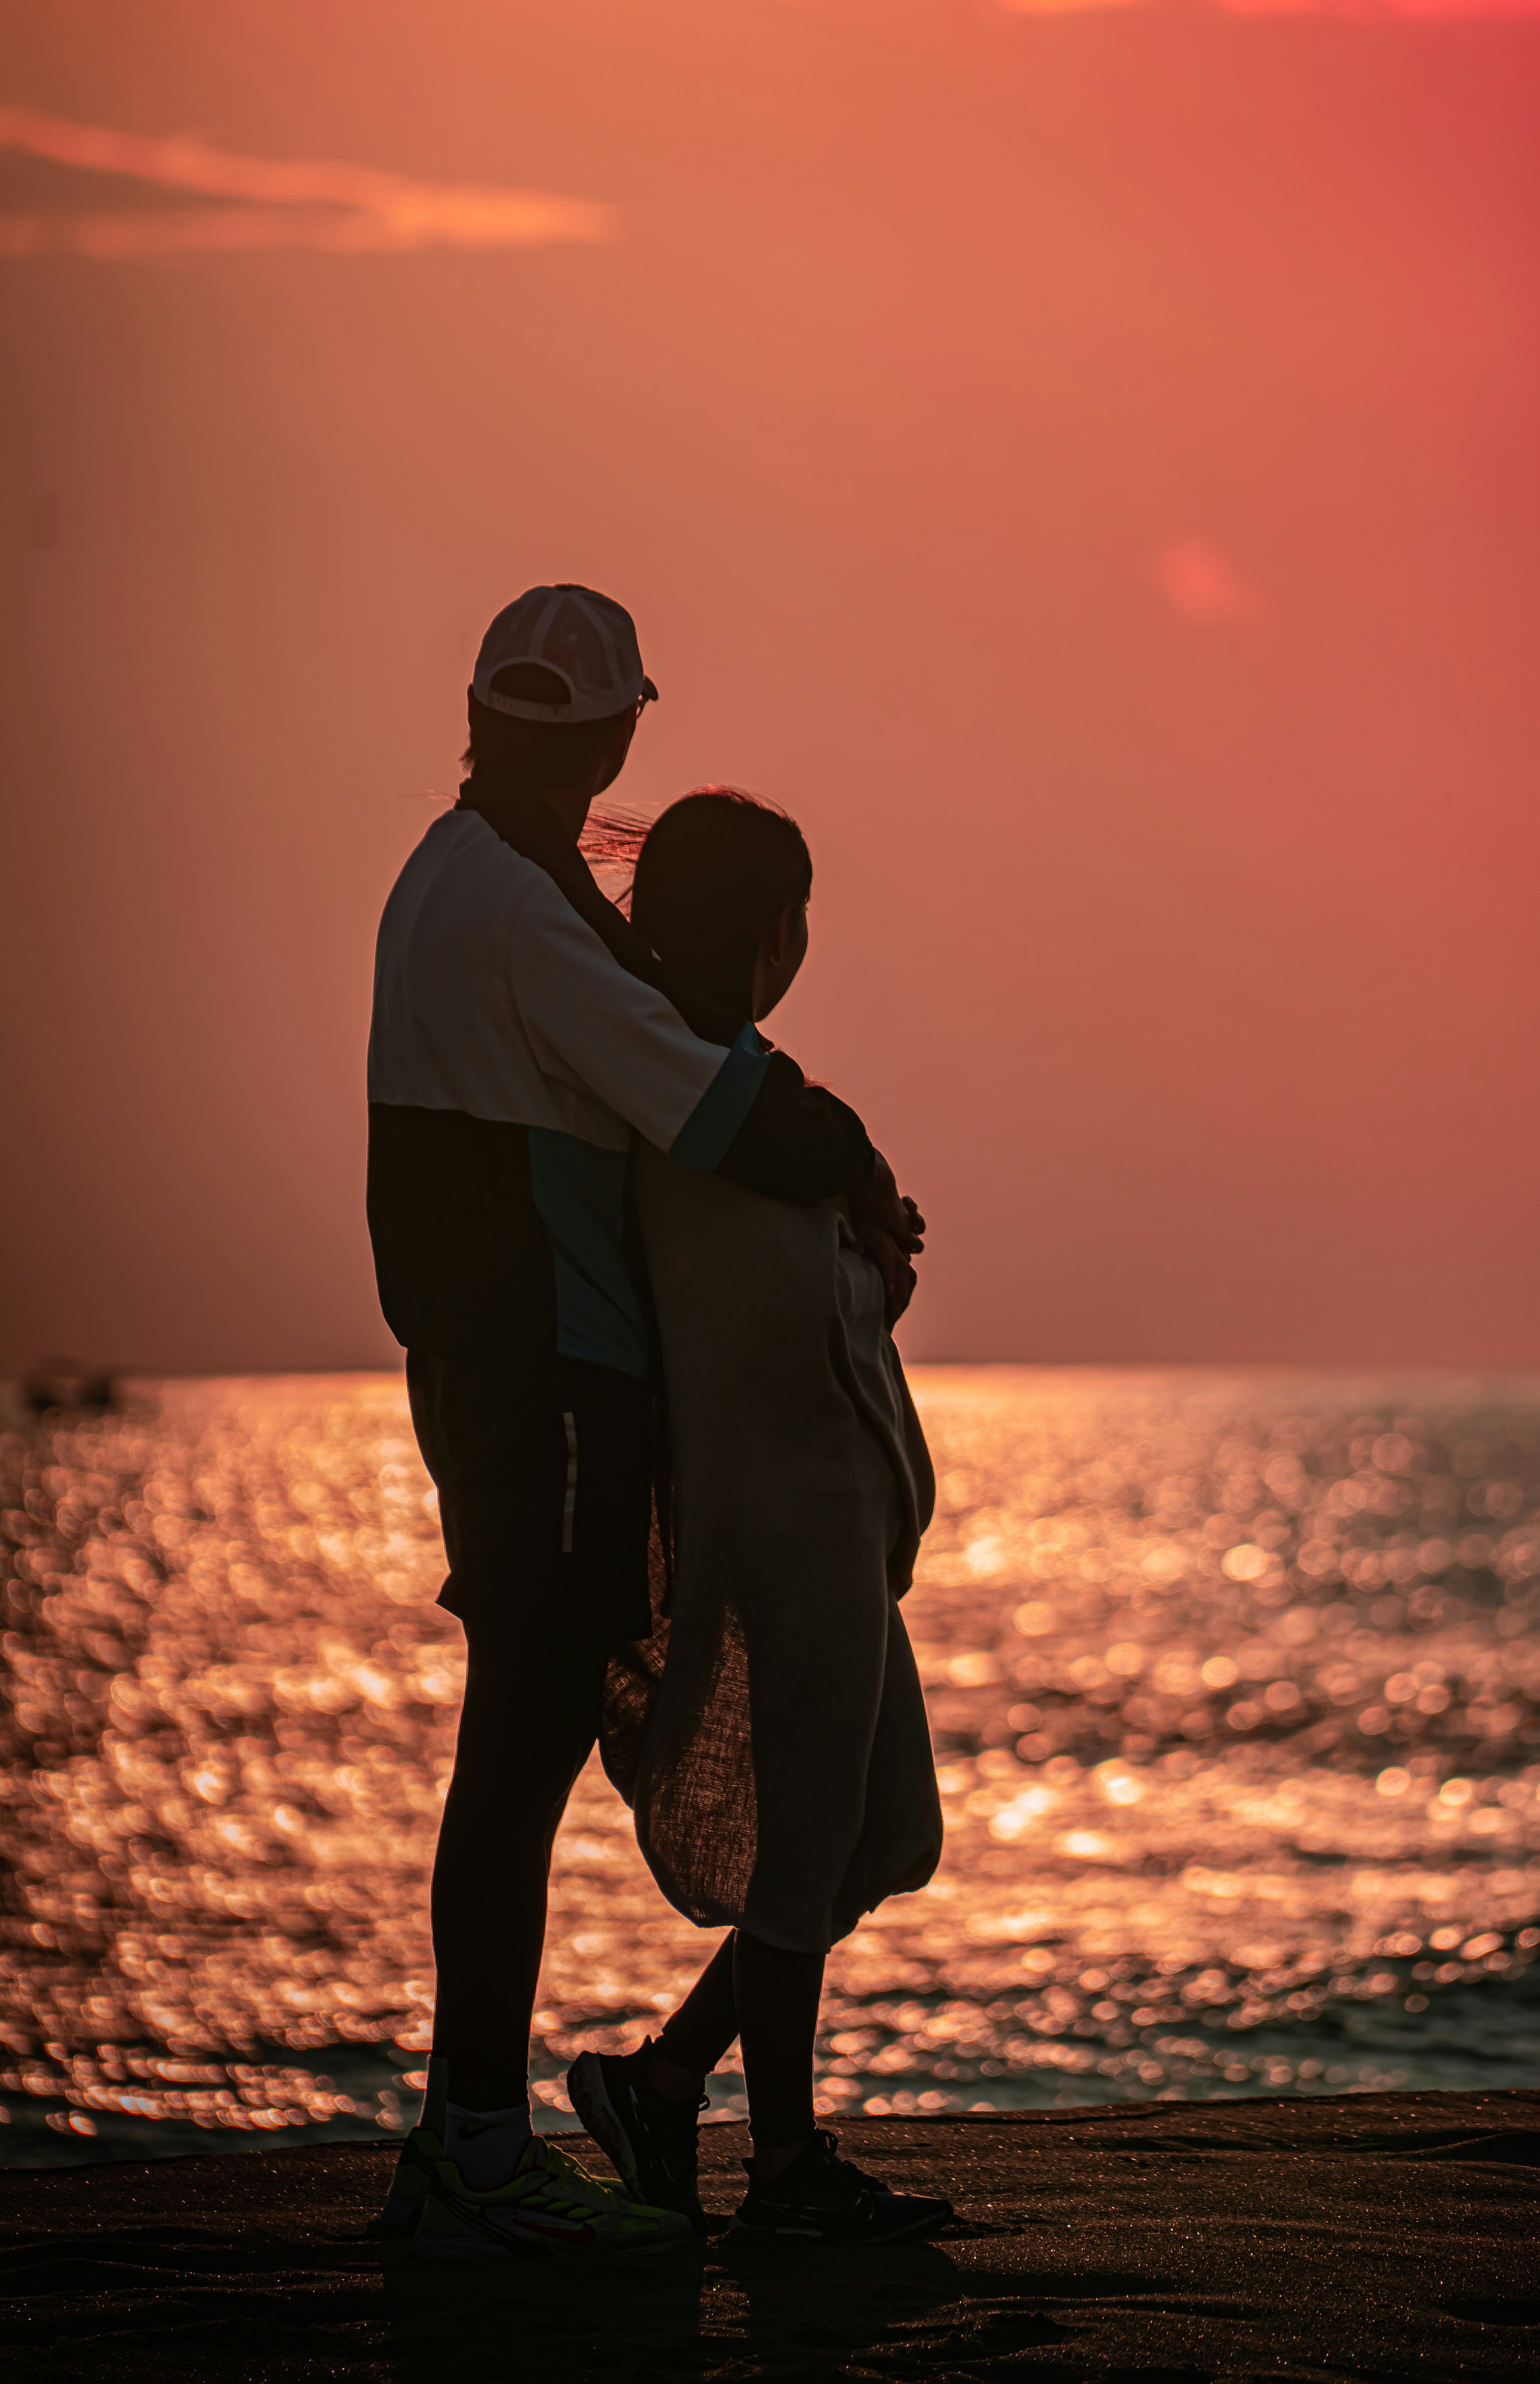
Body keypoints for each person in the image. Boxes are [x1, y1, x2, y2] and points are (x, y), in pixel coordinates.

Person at [366, 584, 922, 2263]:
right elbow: (719, 1097)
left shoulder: (465, 877)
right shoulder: (519, 908)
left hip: (509, 1374)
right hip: (543, 1379)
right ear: (614, 738)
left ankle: (486, 2135)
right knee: (516, 1759)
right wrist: (860, 1163)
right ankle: (477, 2153)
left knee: (521, 1752)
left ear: (484, 718)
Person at [566, 791, 951, 2244]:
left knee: (872, 1836)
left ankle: (663, 2084)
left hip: (834, 1524)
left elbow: (817, 1275)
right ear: (770, 930)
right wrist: (870, 1242)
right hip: (786, 1525)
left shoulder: (746, 1092)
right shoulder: (700, 1107)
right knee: (809, 1852)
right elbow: (783, 1321)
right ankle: (784, 2167)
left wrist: (862, 1217)